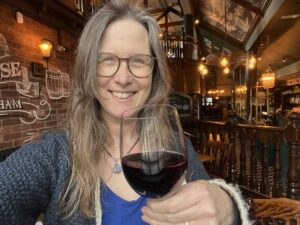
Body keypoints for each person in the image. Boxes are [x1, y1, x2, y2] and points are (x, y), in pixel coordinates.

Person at [0, 1, 252, 225]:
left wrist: (229, 208)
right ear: (89, 70)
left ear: (154, 73)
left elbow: (212, 207)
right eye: (107, 59)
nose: (123, 78)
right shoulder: (53, 155)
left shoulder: (176, 147)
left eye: (139, 60)